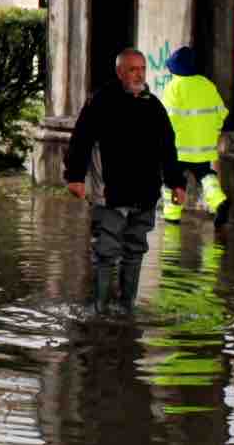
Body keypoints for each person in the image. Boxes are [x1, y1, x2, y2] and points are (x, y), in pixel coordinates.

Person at [63, 47, 185, 312]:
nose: (139, 74)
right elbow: (80, 140)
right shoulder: (101, 101)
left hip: (145, 193)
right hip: (111, 194)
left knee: (135, 249)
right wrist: (74, 177)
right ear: (120, 72)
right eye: (133, 69)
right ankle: (98, 307)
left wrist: (176, 182)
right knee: (106, 251)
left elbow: (167, 146)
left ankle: (126, 306)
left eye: (142, 69)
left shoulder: (153, 106)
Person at [160, 46, 231, 227]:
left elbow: (163, 119)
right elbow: (222, 113)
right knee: (205, 175)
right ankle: (219, 201)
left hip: (178, 149)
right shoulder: (207, 85)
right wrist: (211, 131)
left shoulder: (172, 88)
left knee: (173, 182)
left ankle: (172, 216)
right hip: (203, 147)